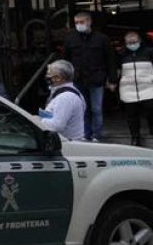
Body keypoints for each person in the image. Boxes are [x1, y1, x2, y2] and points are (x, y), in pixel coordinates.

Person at [63, 12, 115, 141]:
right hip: (79, 79)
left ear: (89, 22)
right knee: (83, 109)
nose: (79, 25)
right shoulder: (70, 39)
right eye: (76, 23)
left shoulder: (101, 39)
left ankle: (97, 135)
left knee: (96, 109)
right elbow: (66, 59)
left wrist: (112, 78)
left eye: (82, 22)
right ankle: (86, 135)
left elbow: (110, 59)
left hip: (97, 78)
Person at [116, 31, 153, 147]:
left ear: (139, 41)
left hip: (148, 88)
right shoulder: (121, 54)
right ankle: (135, 137)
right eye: (129, 42)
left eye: (134, 42)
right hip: (128, 90)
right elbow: (116, 70)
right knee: (132, 116)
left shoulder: (149, 52)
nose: (132, 44)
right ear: (125, 42)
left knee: (151, 113)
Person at [39, 59, 86, 141]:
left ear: (58, 78)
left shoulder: (65, 97)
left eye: (49, 74)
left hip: (68, 145)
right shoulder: (71, 92)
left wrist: (37, 121)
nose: (47, 77)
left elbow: (57, 125)